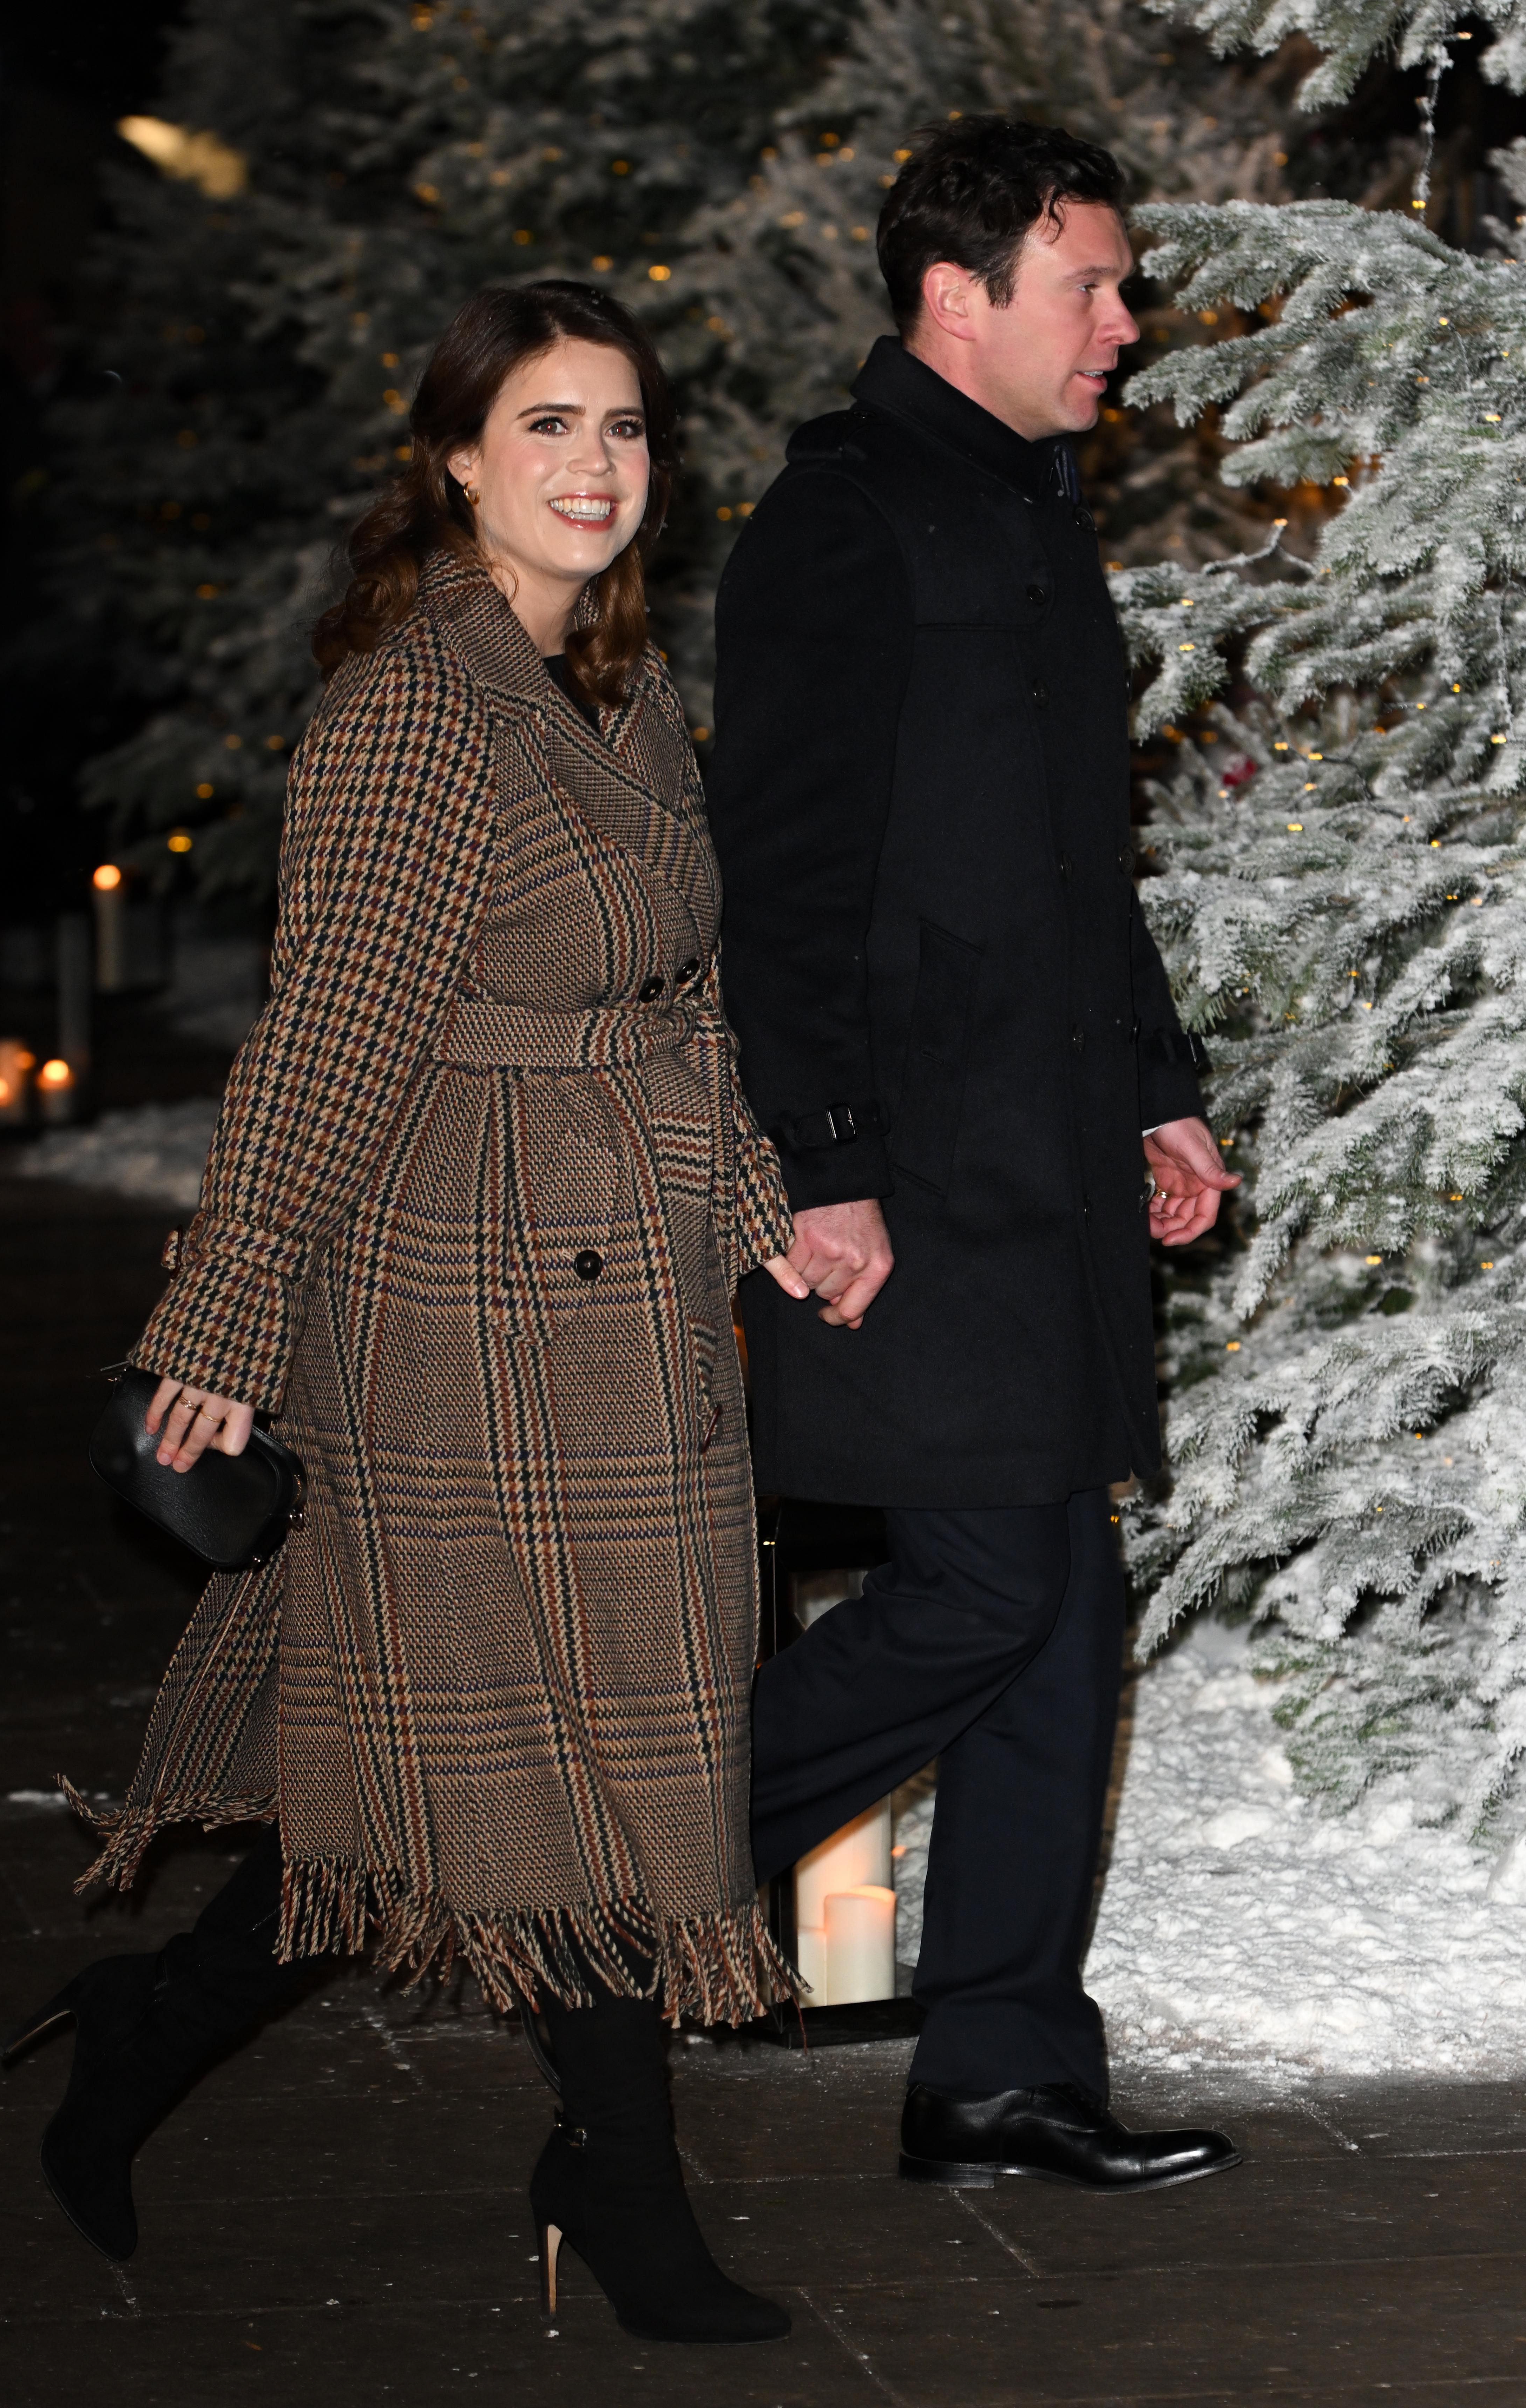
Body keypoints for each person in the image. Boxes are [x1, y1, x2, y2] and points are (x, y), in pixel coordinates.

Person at [4, 280, 808, 2346]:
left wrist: (759, 1209)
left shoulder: (615, 679)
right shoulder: (416, 705)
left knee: (497, 1746)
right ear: (455, 459)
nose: (593, 468)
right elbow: (329, 1038)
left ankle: (151, 2030)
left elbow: (677, 994)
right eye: (546, 426)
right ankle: (625, 2187)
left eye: (623, 429)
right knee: (550, 1740)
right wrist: (219, 1319)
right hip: (461, 1293)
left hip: (627, 1285)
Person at [707, 117, 1243, 2192]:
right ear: (959, 295)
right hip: (915, 1180)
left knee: (1060, 1611)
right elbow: (782, 883)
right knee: (989, 1589)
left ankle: (1004, 2068)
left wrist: (1153, 1083)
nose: (1123, 323)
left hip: (1046, 1156)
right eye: (1088, 285)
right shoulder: (842, 523)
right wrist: (820, 1160)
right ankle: (609, 1865)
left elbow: (1075, 866)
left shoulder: (1027, 507)